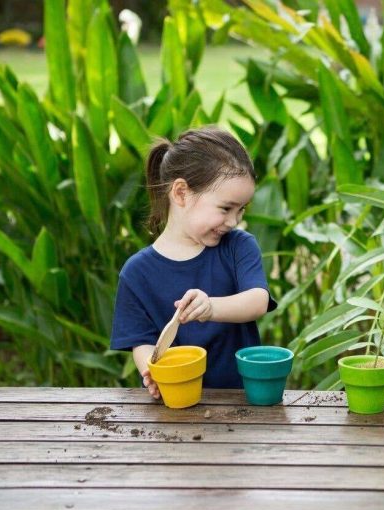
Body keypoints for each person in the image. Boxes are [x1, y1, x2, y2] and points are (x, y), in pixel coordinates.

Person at [111, 127, 276, 399]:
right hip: (174, 405)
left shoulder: (238, 246)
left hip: (240, 404)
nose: (234, 221)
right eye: (225, 208)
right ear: (181, 193)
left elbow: (257, 301)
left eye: (241, 210)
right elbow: (141, 341)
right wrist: (152, 371)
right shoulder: (136, 273)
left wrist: (211, 307)